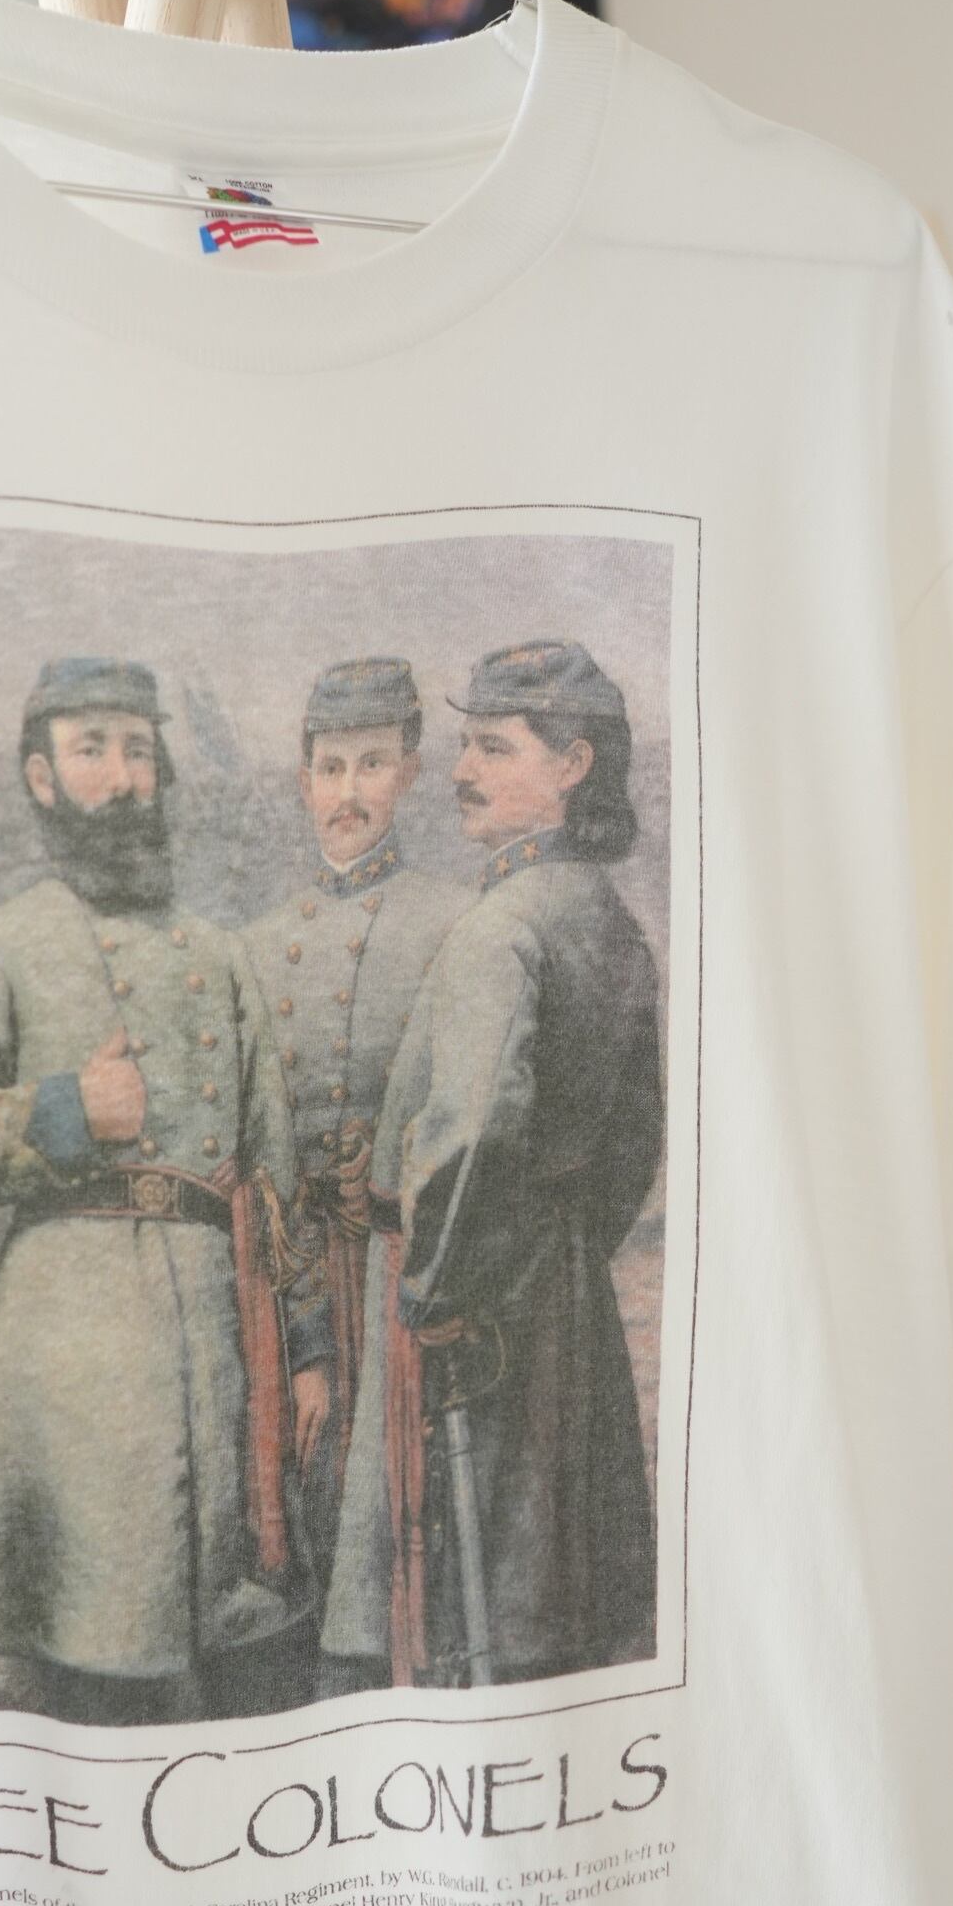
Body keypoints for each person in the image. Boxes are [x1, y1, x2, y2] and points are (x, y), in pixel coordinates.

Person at [0, 657, 317, 1725]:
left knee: (243, 1650)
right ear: (41, 777)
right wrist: (66, 1109)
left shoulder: (220, 957)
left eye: (137, 751)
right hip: (73, 1370)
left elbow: (273, 1179)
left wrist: (306, 1353)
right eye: (91, 751)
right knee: (96, 1666)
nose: (120, 778)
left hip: (220, 1354)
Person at [324, 640, 664, 1687]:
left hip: (467, 1306)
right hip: (559, 1291)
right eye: (465, 747)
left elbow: (471, 1134)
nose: (462, 771)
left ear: (573, 766)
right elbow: (633, 1142)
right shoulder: (607, 920)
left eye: (493, 748)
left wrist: (434, 1291)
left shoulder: (500, 930)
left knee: (456, 1601)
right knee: (557, 1585)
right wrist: (561, 1252)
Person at [242, 659, 466, 1636]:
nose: (348, 792)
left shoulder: (454, 922)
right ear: (303, 782)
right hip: (296, 1274)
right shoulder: (258, 946)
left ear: (409, 772)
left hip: (398, 1261)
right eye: (330, 768)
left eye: (372, 765)